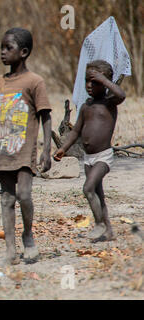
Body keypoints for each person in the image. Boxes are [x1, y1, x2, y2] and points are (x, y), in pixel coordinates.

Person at [0, 28, 52, 265]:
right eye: (1, 48)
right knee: (7, 199)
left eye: (8, 48)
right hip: (4, 149)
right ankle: (10, 249)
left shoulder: (35, 82)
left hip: (25, 150)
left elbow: (45, 116)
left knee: (24, 195)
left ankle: (28, 235)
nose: (2, 52)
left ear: (24, 52)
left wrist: (47, 149)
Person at [54, 60, 126, 242]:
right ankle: (108, 230)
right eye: (87, 81)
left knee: (88, 188)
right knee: (98, 195)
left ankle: (99, 224)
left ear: (105, 82)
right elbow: (76, 131)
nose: (89, 86)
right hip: (88, 158)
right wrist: (63, 148)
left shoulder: (110, 103)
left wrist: (104, 80)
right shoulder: (86, 106)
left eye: (95, 82)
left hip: (103, 157)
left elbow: (121, 94)